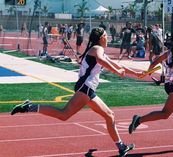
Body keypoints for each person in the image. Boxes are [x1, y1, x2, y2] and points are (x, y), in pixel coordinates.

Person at [11, 27, 142, 157]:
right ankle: (29, 107)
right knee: (64, 115)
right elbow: (102, 61)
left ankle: (121, 147)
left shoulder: (99, 51)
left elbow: (118, 65)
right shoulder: (97, 49)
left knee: (109, 115)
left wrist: (137, 73)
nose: (108, 38)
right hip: (85, 88)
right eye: (106, 36)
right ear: (101, 38)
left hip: (88, 89)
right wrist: (116, 71)